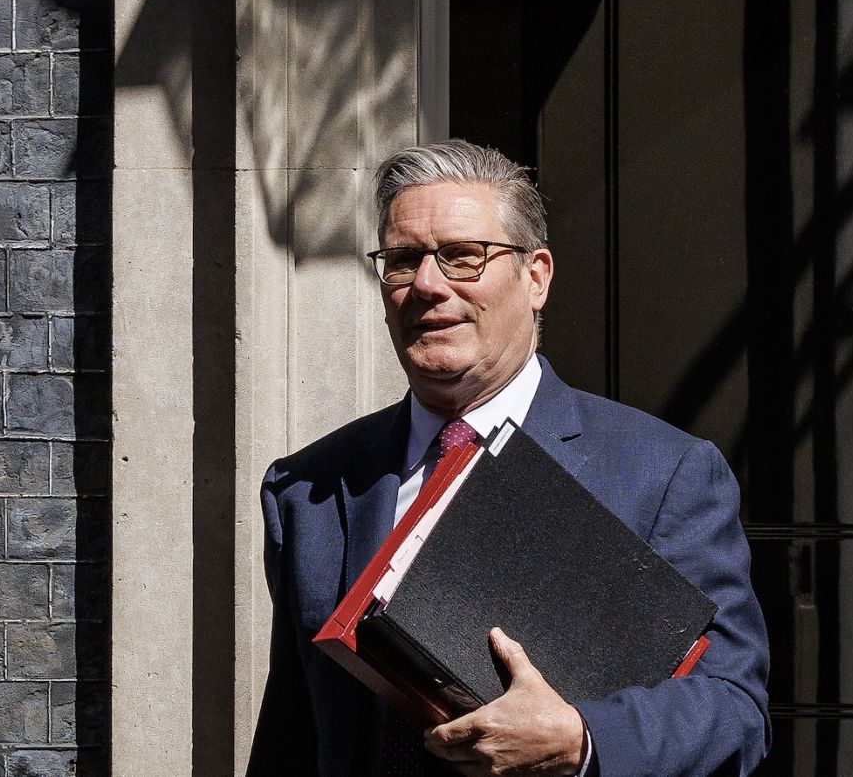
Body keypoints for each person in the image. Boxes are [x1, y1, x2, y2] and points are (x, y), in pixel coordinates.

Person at [249, 140, 770, 777]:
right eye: (403, 260)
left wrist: (582, 739)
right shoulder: (308, 489)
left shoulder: (663, 475)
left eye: (462, 256)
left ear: (536, 277)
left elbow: (732, 708)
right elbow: (292, 734)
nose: (428, 285)